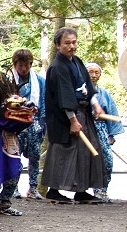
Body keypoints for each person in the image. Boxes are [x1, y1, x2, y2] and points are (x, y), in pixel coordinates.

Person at [41, 27, 105, 204]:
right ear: (58, 45)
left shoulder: (77, 61)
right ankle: (53, 191)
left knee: (85, 152)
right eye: (67, 43)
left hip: (82, 113)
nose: (72, 46)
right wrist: (73, 120)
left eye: (74, 42)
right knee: (62, 152)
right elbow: (65, 95)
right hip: (65, 117)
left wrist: (96, 105)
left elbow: (88, 88)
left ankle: (81, 190)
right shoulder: (57, 67)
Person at [11, 49, 46, 200]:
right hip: (14, 124)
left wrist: (43, 123)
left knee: (35, 156)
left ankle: (33, 188)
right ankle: (13, 187)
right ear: (15, 65)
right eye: (20, 65)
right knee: (14, 156)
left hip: (34, 123)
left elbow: (43, 102)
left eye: (26, 65)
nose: (24, 69)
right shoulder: (9, 79)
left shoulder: (39, 81)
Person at [86, 62, 121, 202]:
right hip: (86, 127)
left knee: (106, 159)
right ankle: (83, 191)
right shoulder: (81, 91)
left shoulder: (104, 93)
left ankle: (102, 190)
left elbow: (111, 113)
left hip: (101, 129)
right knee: (85, 160)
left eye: (96, 72)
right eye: (90, 72)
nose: (93, 75)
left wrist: (110, 135)